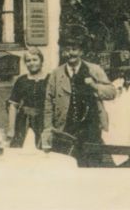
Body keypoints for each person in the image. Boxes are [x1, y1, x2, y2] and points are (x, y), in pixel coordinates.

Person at [42, 29, 117, 167]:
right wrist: (48, 128)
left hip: (91, 128)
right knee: (66, 164)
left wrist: (94, 85)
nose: (70, 53)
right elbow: (48, 103)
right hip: (65, 128)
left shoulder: (94, 70)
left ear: (81, 51)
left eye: (74, 49)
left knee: (92, 165)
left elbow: (112, 93)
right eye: (67, 50)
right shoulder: (56, 74)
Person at [6, 47, 47, 149]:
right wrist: (11, 130)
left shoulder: (50, 79)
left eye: (35, 59)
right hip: (24, 122)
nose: (31, 63)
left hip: (43, 122)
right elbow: (13, 105)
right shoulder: (21, 80)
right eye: (28, 61)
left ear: (41, 61)